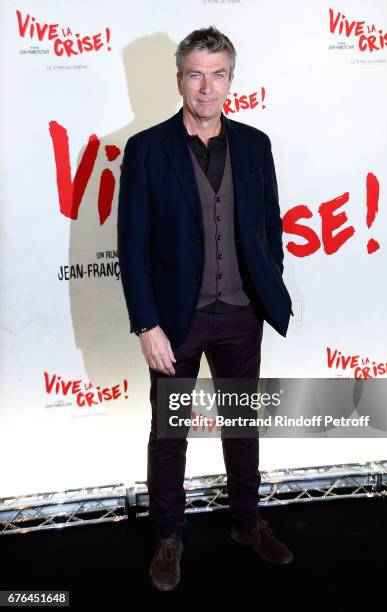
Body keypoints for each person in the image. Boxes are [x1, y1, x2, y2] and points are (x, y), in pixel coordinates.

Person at [117, 26, 294, 592]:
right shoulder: (147, 150)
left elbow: (271, 226)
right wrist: (147, 323)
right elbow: (133, 245)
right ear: (179, 80)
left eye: (218, 75)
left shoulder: (255, 144)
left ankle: (248, 521)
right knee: (170, 432)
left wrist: (269, 287)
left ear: (230, 81)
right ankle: (169, 535)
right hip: (176, 319)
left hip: (242, 315)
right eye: (196, 74)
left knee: (243, 424)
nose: (207, 87)